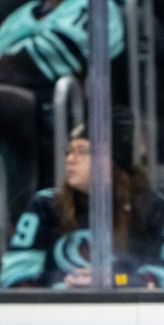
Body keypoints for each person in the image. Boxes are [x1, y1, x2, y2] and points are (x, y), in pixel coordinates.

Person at [0, 110, 164, 288]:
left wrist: (116, 280)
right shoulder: (45, 206)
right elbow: (13, 275)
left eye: (82, 152)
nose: (70, 159)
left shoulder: (151, 209)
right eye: (69, 152)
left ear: (112, 161)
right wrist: (60, 286)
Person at [0, 0, 125, 219]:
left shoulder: (94, 7)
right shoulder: (23, 13)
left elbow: (47, 57)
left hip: (58, 97)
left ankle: (18, 218)